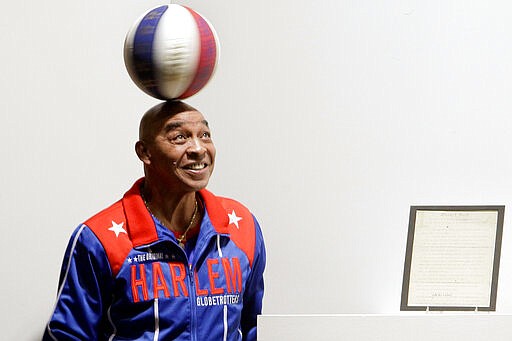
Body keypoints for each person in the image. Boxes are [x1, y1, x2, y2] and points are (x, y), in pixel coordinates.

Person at [43, 101, 266, 341]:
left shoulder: (242, 226)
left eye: (205, 135)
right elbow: (68, 336)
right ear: (145, 152)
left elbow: (253, 327)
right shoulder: (98, 238)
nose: (199, 148)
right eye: (180, 137)